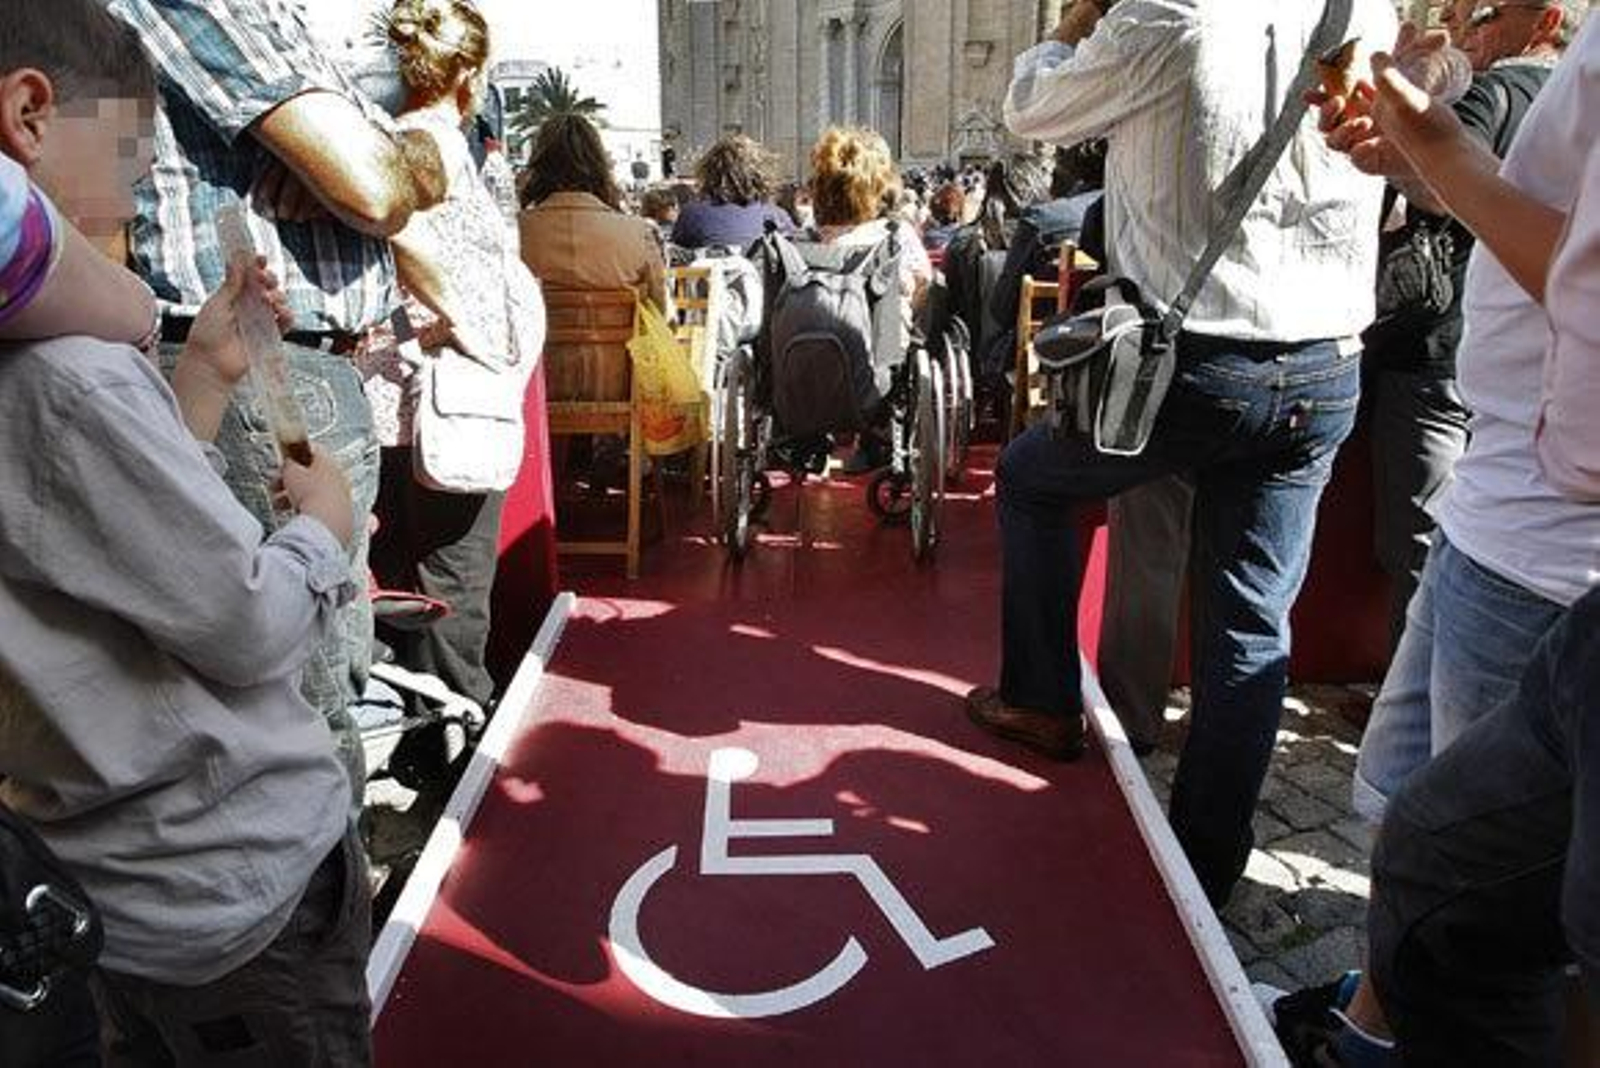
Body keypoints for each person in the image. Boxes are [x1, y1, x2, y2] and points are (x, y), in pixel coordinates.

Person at [0, 3, 372, 1063]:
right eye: (129, 150)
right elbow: (244, 624)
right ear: (30, 113)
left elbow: (91, 529)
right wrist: (322, 536)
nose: (138, 185)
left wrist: (203, 372)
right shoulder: (69, 370)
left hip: (106, 887)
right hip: (226, 875)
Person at [964, 0, 1398, 907]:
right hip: (1325, 366)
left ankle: (1042, 702)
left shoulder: (1167, 17)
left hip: (1190, 366)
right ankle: (1207, 858)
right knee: (1248, 624)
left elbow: (1030, 109)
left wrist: (1075, 24)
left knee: (1031, 481)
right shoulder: (1367, 11)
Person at [105, 0, 447, 803]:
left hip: (282, 370)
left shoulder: (278, 19)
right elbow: (375, 186)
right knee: (306, 692)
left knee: (327, 668)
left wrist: (377, 156)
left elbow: (415, 166)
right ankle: (314, 911)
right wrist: (364, 166)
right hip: (262, 370)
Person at [355, 0, 546, 775]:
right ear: (469, 75)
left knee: (396, 582)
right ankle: (453, 761)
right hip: (452, 405)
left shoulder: (368, 148)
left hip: (379, 405)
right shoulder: (445, 157)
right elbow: (465, 298)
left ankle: (406, 742)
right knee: (453, 587)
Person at [1363, 0, 1574, 648]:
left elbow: (1441, 183)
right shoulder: (1563, 103)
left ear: (1546, 22)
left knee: (1425, 538)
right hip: (1510, 373)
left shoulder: (1503, 91)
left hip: (1442, 352)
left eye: (1485, 13)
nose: (1466, 26)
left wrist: (1418, 148)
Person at [807, 125, 934, 474]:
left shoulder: (803, 238)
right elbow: (924, 281)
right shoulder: (895, 235)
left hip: (808, 362)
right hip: (875, 366)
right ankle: (876, 436)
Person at [519, 114, 667, 311]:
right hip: (622, 342)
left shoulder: (511, 237)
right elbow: (659, 310)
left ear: (537, 168)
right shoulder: (638, 233)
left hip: (542, 342)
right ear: (600, 165)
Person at [670, 134, 793, 252]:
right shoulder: (777, 216)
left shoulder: (691, 214)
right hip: (761, 272)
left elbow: (677, 253)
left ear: (709, 171)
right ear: (759, 174)